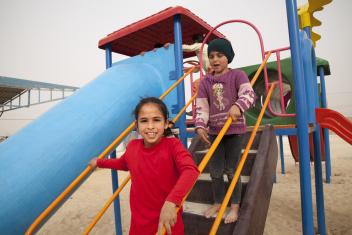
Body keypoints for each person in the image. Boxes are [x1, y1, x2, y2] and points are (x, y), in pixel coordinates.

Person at [89, 97, 199, 235]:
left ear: (166, 124)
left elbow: (191, 171)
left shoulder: (173, 146)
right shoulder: (133, 147)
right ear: (137, 125)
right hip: (138, 225)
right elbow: (123, 163)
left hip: (166, 223)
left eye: (156, 120)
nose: (150, 126)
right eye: (144, 121)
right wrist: (99, 162)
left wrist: (171, 202)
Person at [194, 38, 255, 224]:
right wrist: (200, 125)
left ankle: (234, 207)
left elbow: (249, 94)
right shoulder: (206, 82)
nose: (215, 59)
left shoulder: (238, 75)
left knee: (231, 170)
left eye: (220, 55)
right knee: (215, 171)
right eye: (211, 56)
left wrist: (238, 106)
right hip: (215, 132)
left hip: (234, 131)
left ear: (228, 57)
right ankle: (218, 202)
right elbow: (202, 107)